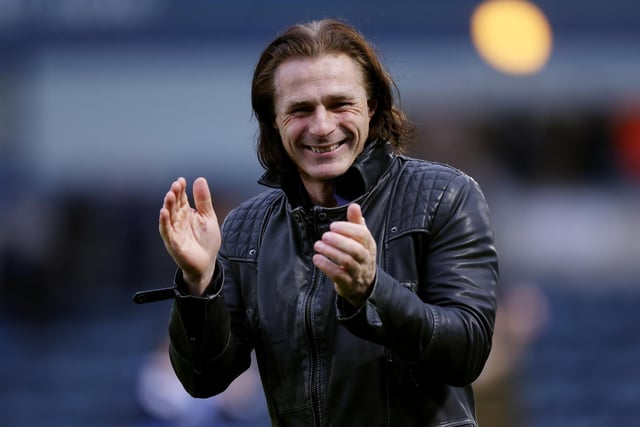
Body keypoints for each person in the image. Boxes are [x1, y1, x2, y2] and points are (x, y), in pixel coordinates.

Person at [134, 18, 498, 426]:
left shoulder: (444, 195)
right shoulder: (246, 229)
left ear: (372, 106)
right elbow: (204, 379)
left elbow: (466, 352)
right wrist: (199, 284)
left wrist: (374, 291)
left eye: (340, 104)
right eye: (301, 110)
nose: (323, 127)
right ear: (274, 120)